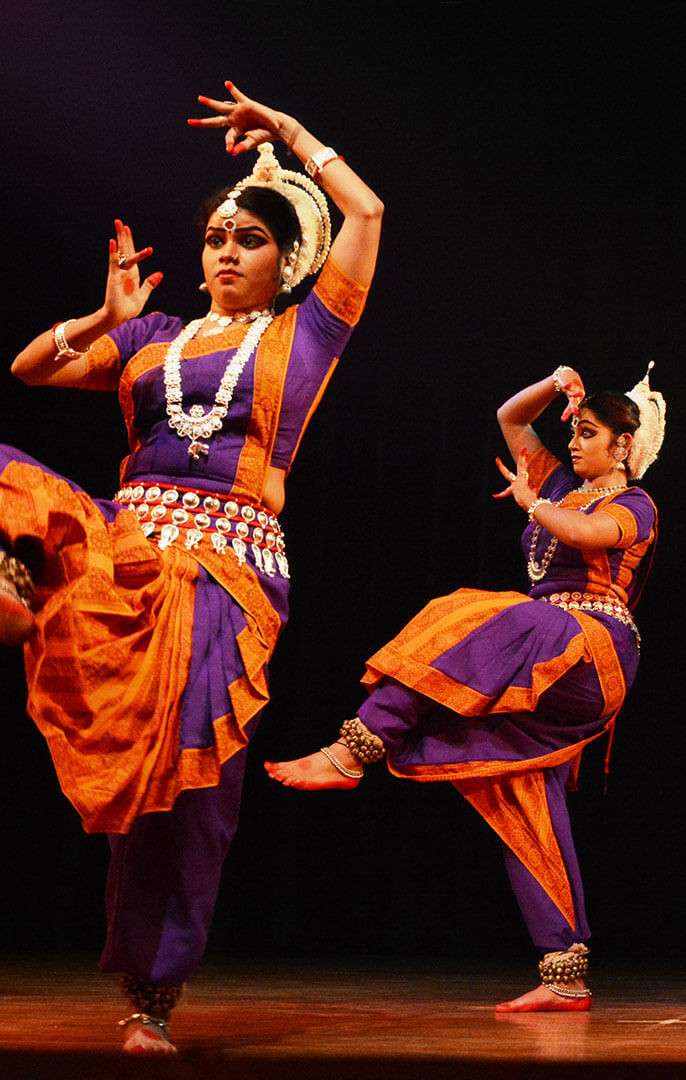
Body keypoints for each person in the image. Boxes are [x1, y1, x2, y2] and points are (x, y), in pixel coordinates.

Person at [2, 81, 381, 1054]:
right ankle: (27, 599)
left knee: (185, 779)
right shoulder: (152, 340)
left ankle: (150, 993)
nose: (224, 249)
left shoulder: (308, 334)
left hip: (230, 569)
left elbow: (368, 212)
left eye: (248, 237)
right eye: (216, 234)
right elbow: (30, 369)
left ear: (285, 258)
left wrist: (291, 133)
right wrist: (101, 313)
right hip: (131, 545)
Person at [265, 365, 663, 1013]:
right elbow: (510, 416)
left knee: (471, 610)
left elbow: (589, 535)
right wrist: (555, 382)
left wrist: (536, 505)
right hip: (539, 651)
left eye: (590, 434)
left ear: (623, 446)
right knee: (515, 791)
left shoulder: (635, 504)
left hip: (591, 648)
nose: (574, 444)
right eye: (576, 431)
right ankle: (563, 969)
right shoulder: (559, 481)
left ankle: (356, 749)